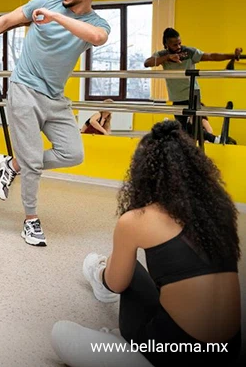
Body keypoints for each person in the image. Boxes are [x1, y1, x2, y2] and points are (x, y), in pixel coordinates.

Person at [52, 120, 241, 366]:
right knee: (138, 270)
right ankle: (99, 271)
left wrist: (106, 274)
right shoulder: (219, 211)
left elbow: (117, 284)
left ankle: (124, 342)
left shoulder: (136, 220)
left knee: (61, 333)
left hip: (171, 353)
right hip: (228, 352)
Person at [0, 0, 111, 246]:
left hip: (56, 98)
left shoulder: (96, 23)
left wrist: (56, 17)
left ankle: (12, 164)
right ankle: (30, 220)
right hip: (24, 90)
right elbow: (3, 22)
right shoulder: (42, 2)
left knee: (73, 153)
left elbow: (96, 38)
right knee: (34, 163)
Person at [143, 28, 241, 129]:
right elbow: (147, 63)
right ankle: (214, 139)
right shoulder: (162, 55)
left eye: (179, 43)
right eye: (175, 45)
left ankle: (215, 139)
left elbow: (211, 56)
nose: (179, 47)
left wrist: (232, 55)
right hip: (177, 97)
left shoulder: (189, 52)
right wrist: (168, 57)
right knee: (184, 130)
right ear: (167, 45)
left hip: (192, 93)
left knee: (198, 124)